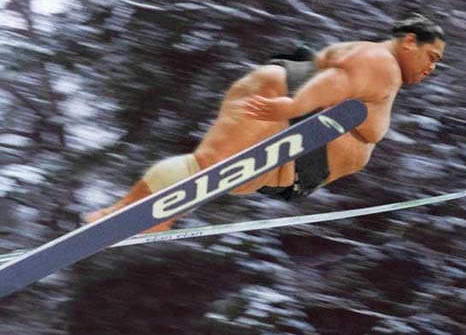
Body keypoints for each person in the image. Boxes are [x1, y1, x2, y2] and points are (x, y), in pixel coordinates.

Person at [84, 14, 446, 232]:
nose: (431, 67)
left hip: (282, 115)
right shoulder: (382, 64)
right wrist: (294, 105)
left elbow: (332, 74)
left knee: (205, 170)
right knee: (209, 171)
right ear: (409, 41)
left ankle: (125, 211)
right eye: (431, 56)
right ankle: (142, 214)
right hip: (295, 134)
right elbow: (337, 82)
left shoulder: (368, 54)